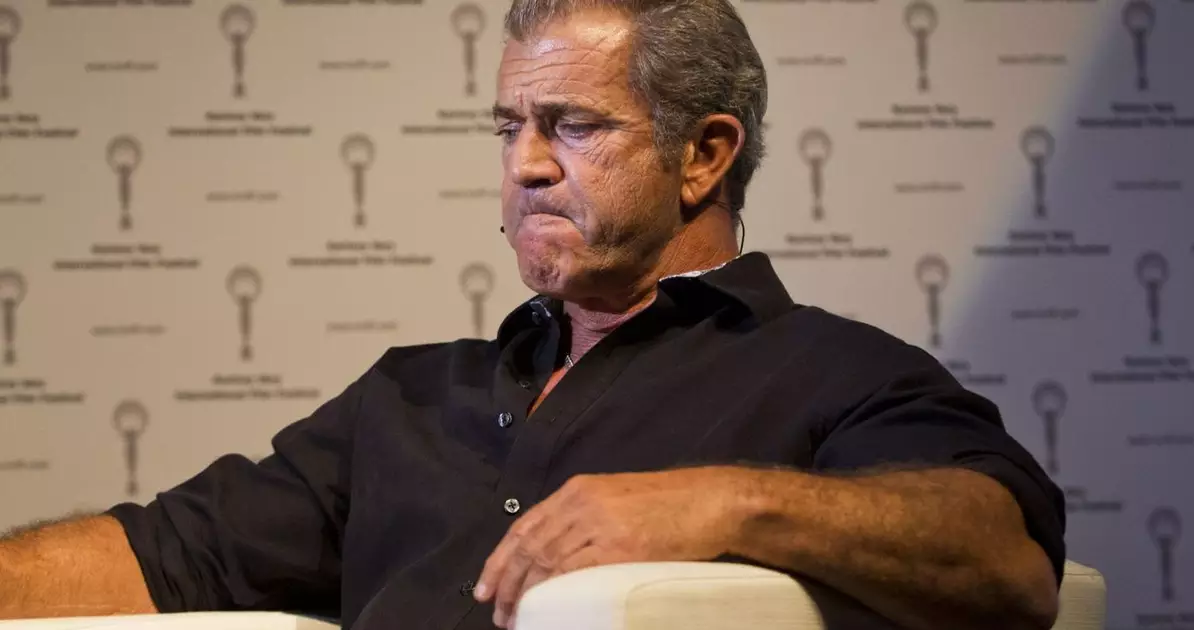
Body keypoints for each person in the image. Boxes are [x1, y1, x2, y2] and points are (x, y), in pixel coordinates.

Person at [0, 1, 1065, 629]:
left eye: (573, 126)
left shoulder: (828, 373)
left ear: (705, 154)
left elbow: (1006, 565)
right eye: (509, 126)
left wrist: (726, 505)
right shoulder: (410, 396)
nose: (526, 165)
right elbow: (163, 558)